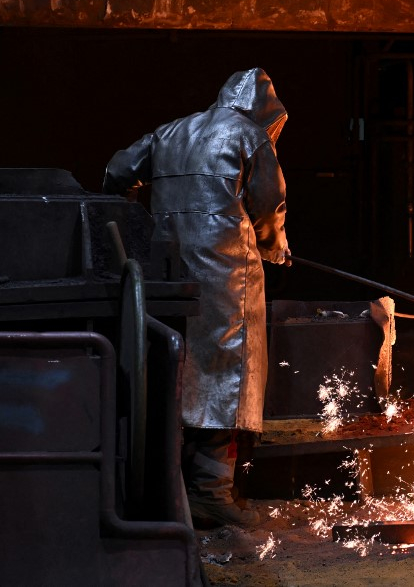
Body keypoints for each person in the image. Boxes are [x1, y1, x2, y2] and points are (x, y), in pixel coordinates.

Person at [103, 67, 290, 527]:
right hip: (227, 274)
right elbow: (269, 205)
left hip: (166, 272)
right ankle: (210, 493)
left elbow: (117, 172)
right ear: (263, 110)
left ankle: (166, 492)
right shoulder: (250, 136)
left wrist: (136, 219)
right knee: (226, 375)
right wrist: (275, 247)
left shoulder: (170, 131)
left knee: (172, 373)